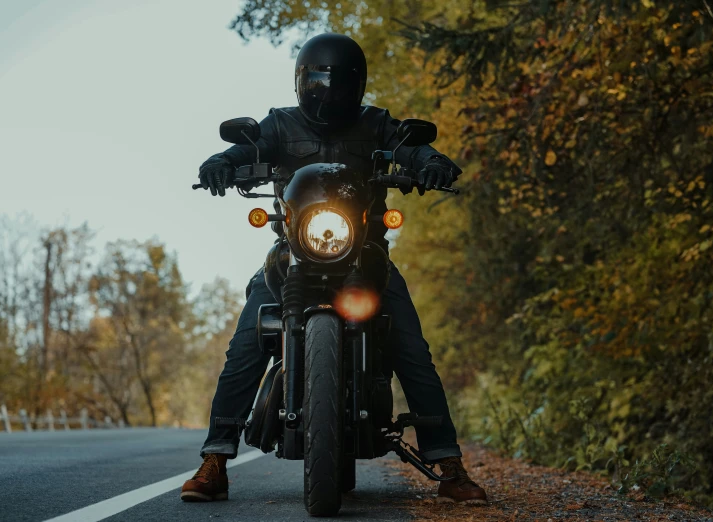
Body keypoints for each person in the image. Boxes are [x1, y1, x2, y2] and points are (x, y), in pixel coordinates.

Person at [180, 33, 488, 507]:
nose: (329, 92)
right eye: (321, 82)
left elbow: (406, 146)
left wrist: (430, 162)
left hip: (365, 255)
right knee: (245, 344)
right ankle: (215, 461)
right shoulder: (279, 125)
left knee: (412, 349)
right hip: (292, 256)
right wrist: (224, 160)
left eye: (340, 84)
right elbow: (250, 146)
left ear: (357, 85)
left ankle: (449, 466)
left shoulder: (375, 124)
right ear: (303, 81)